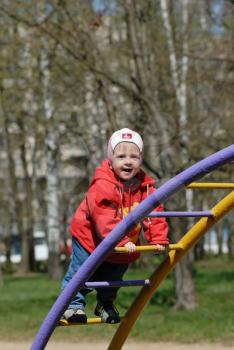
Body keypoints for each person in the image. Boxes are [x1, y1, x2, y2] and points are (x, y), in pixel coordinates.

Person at [61, 128, 169, 324]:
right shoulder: (103, 184)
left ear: (141, 159)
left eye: (134, 156)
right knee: (83, 271)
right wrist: (123, 240)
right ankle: (73, 305)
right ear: (110, 159)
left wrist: (158, 238)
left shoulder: (146, 187)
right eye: (121, 156)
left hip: (122, 243)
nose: (128, 161)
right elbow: (104, 219)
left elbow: (155, 214)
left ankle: (105, 304)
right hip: (90, 239)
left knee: (114, 277)